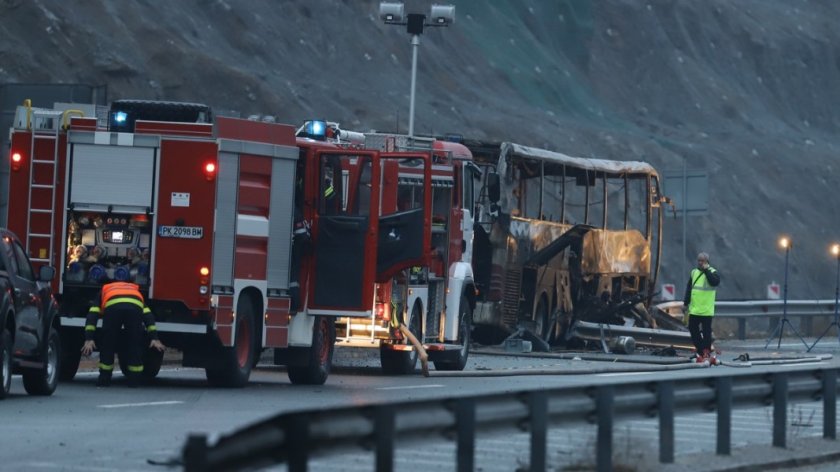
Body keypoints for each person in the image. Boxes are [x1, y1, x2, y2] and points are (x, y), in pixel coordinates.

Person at [81, 281, 165, 386]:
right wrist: (154, 338)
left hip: (112, 307)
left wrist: (89, 338)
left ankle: (104, 379)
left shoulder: (105, 290)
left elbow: (92, 314)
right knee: (134, 344)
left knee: (108, 343)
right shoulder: (135, 291)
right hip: (135, 307)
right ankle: (134, 380)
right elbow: (148, 315)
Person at [683, 252, 721, 363]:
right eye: (699, 260)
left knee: (706, 332)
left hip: (706, 310)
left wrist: (706, 270)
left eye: (702, 261)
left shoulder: (712, 272)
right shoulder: (694, 272)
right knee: (693, 329)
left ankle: (706, 351)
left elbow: (715, 282)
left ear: (707, 262)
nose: (700, 263)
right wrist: (685, 303)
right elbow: (689, 288)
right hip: (695, 309)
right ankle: (700, 350)